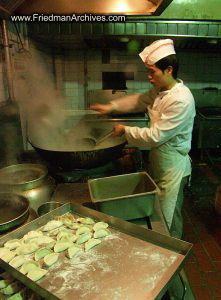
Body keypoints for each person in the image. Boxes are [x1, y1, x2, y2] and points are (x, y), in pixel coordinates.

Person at [90, 39, 195, 239]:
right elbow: (139, 100)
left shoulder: (181, 99)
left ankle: (173, 257)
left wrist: (125, 130)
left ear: (169, 70)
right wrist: (111, 107)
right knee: (158, 214)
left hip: (173, 166)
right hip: (159, 160)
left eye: (152, 72)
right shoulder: (160, 91)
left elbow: (155, 136)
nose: (149, 77)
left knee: (168, 216)